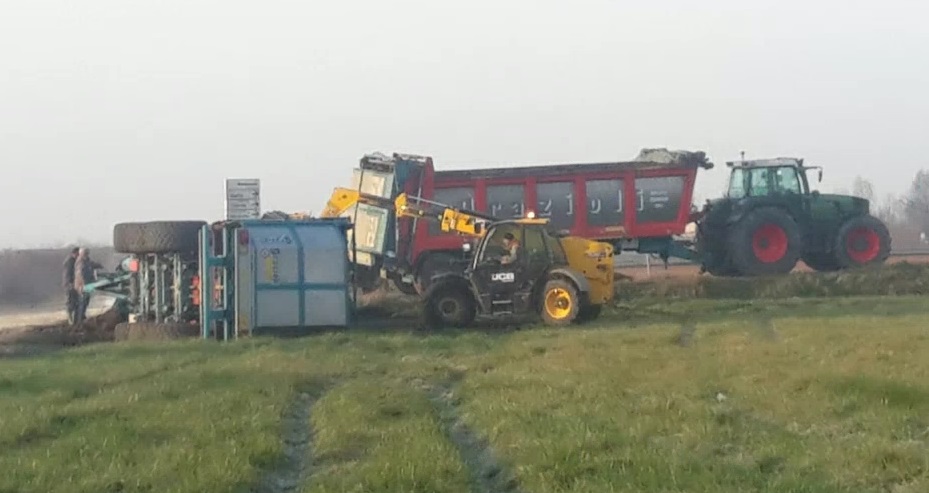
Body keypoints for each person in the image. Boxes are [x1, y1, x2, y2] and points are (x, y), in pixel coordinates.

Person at [72, 247, 103, 324]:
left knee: (85, 301)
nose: (87, 255)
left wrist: (99, 265)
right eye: (86, 253)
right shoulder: (80, 262)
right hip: (82, 286)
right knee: (82, 302)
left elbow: (92, 264)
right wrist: (83, 285)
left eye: (87, 253)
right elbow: (80, 274)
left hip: (88, 285)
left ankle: (82, 317)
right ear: (82, 253)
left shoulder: (86, 260)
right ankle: (79, 320)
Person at [62, 247, 79, 324]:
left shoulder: (74, 260)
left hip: (74, 284)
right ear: (74, 253)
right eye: (78, 254)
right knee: (70, 302)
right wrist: (70, 283)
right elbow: (67, 273)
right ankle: (70, 319)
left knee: (75, 301)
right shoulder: (69, 261)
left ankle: (74, 319)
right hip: (69, 284)